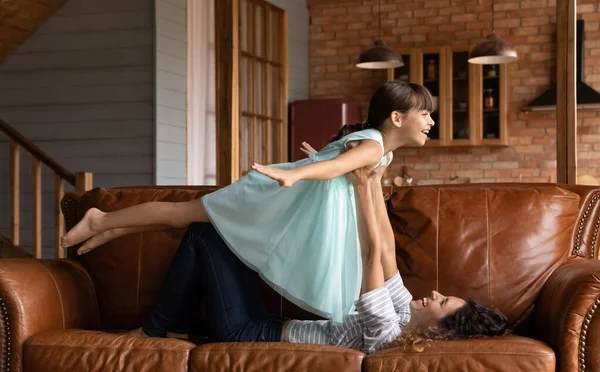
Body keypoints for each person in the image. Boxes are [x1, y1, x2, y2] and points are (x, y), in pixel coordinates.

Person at [61, 81, 436, 323]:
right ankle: (100, 220)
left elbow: (338, 168)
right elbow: (339, 166)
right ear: (397, 117)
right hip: (272, 201)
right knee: (181, 215)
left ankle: (112, 228)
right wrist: (297, 174)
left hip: (282, 211)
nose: (430, 121)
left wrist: (312, 164)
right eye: (425, 113)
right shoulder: (372, 145)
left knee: (186, 220)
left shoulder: (379, 151)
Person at [131, 159, 508, 354]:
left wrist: (361, 186)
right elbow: (389, 245)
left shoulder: (387, 334)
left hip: (244, 333)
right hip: (264, 322)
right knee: (228, 234)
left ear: (436, 330)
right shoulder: (404, 310)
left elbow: (372, 252)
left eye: (441, 303)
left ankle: (154, 328)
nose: (435, 293)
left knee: (203, 232)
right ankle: (175, 326)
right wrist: (376, 181)